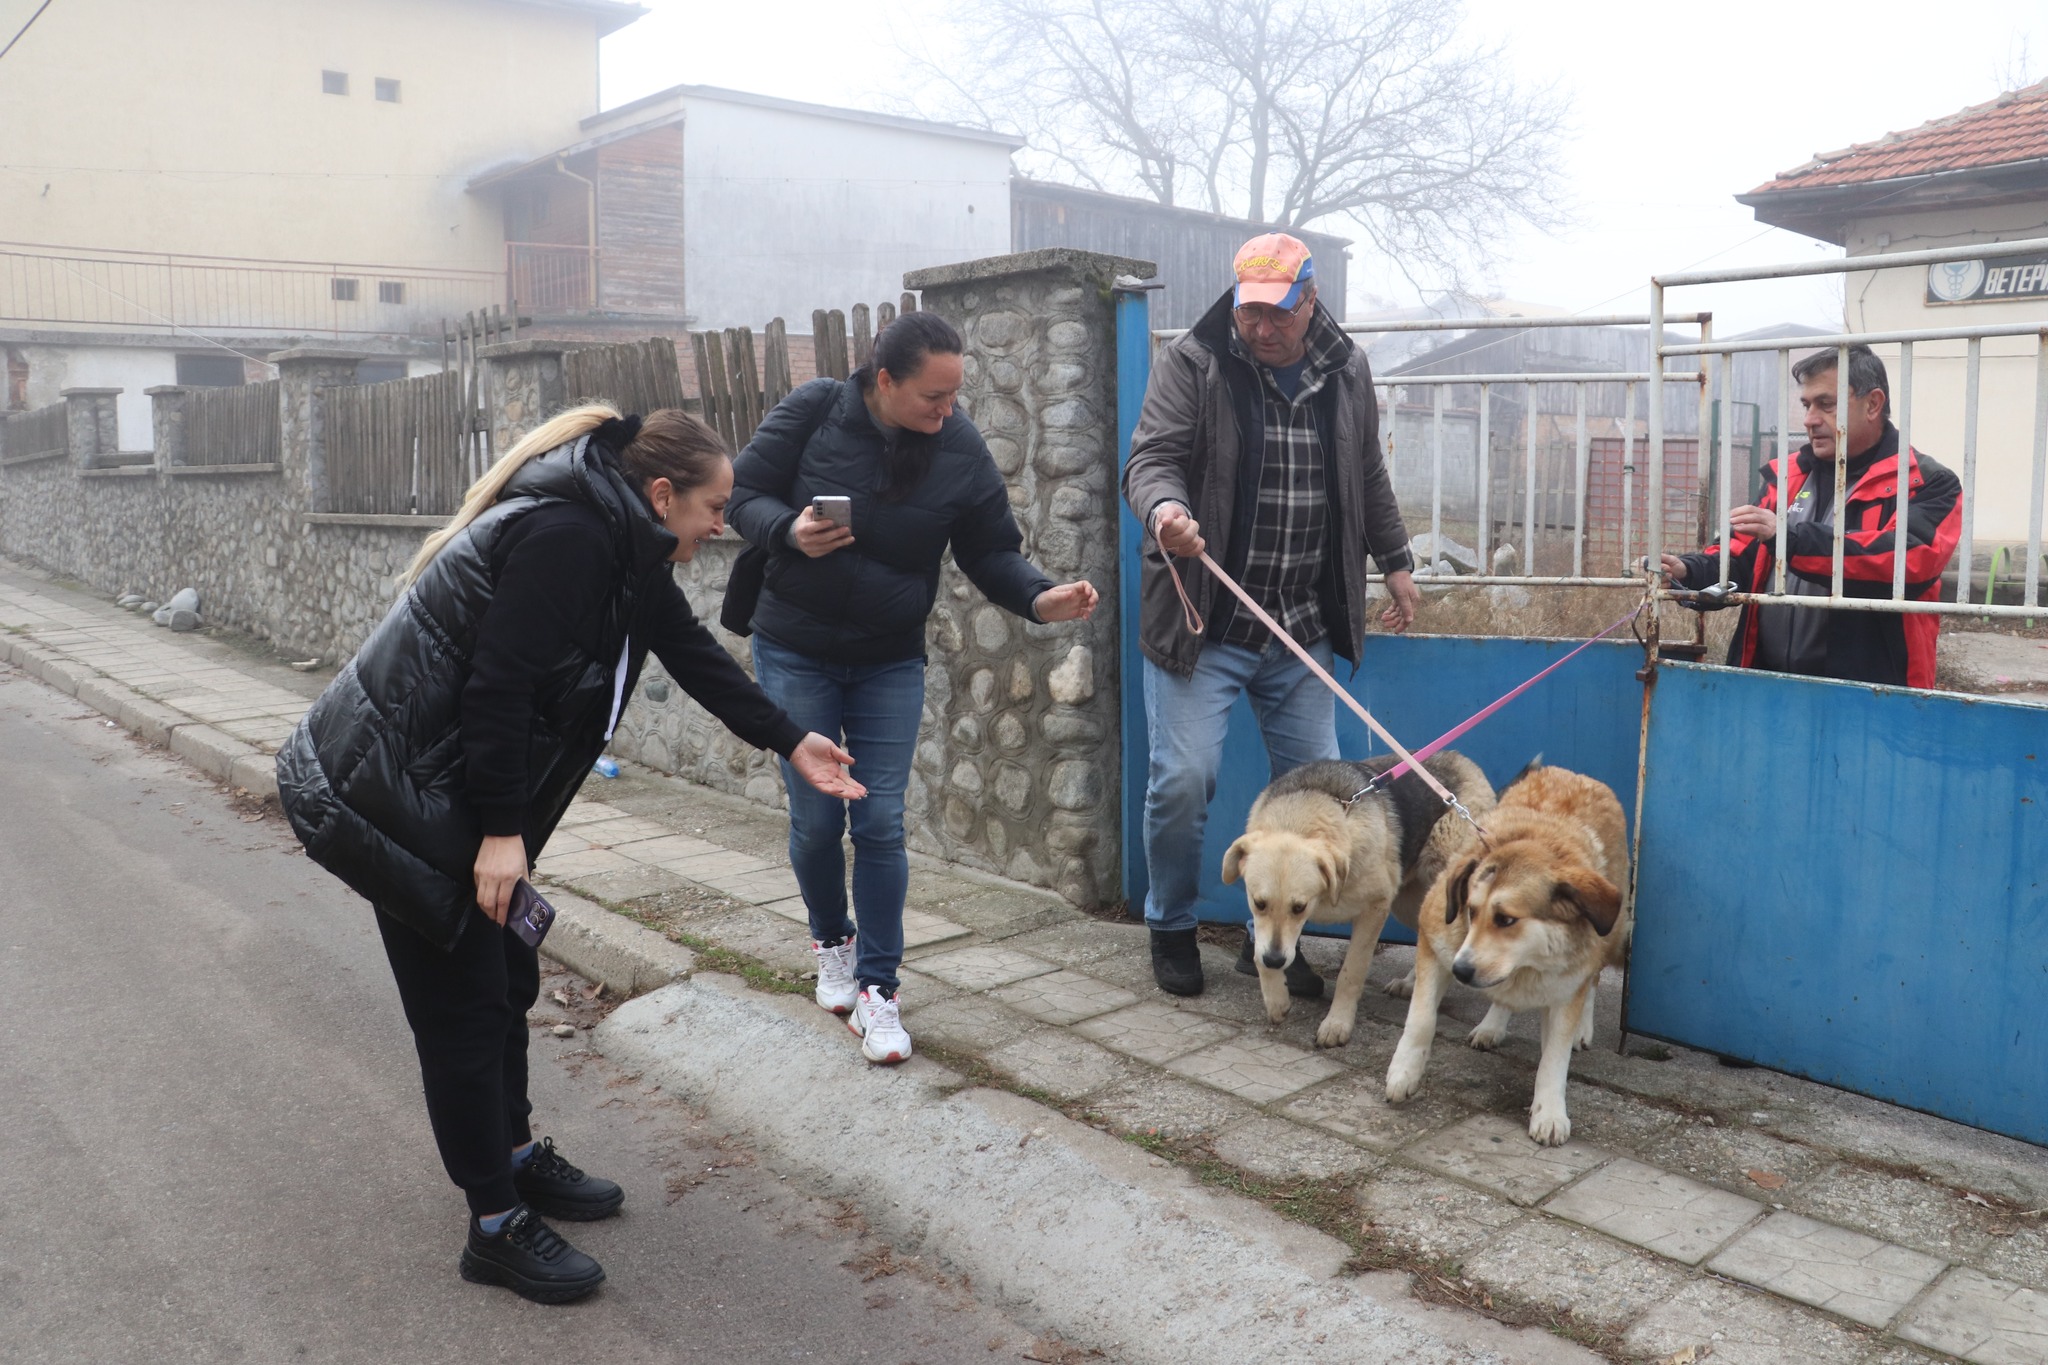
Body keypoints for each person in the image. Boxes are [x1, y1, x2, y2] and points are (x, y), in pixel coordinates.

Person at [277, 405, 862, 1304]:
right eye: (712, 508)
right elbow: (498, 686)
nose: (719, 526)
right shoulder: (570, 537)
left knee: (507, 975)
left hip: (446, 785)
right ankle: (494, 1226)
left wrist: (793, 740)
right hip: (397, 797)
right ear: (662, 493)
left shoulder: (624, 542)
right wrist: (502, 834)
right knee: (464, 1007)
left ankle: (512, 1156)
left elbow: (692, 654)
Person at [727, 311, 1099, 1064]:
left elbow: (992, 550)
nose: (947, 411)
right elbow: (740, 498)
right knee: (815, 818)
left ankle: (880, 991)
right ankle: (831, 939)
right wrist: (788, 532)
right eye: (933, 396)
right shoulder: (812, 411)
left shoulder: (957, 448)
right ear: (885, 380)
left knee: (883, 822)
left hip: (889, 659)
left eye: (955, 396)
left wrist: (1039, 598)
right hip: (795, 647)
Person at [1122, 232, 1420, 999]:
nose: (1262, 326)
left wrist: (1396, 561)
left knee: (1322, 807)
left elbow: (1367, 471)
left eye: (1278, 312)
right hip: (1206, 625)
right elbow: (1150, 457)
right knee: (1183, 780)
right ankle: (1171, 922)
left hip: (1301, 628)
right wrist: (1164, 511)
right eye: (1251, 311)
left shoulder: (1347, 368)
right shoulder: (1195, 362)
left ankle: (1278, 940)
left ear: (1309, 300)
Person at [1658, 344, 1961, 688]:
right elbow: (1740, 557)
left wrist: (1789, 540)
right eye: (1806, 405)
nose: (1809, 419)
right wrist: (1687, 572)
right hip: (1768, 683)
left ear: (1873, 404)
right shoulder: (1786, 477)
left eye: (1826, 404)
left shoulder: (1926, 481)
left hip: (1873, 695)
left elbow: (1910, 560)